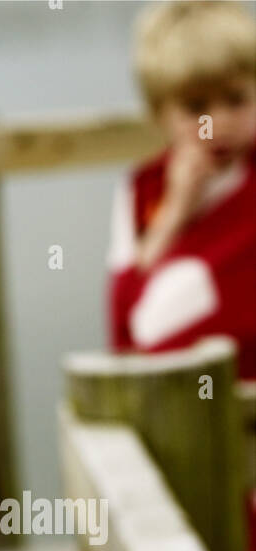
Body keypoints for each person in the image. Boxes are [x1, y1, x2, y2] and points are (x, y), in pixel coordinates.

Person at [107, 0, 256, 378]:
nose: (218, 122)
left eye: (236, 100)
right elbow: (124, 323)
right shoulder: (143, 190)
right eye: (196, 107)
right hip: (179, 396)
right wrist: (176, 211)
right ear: (160, 113)